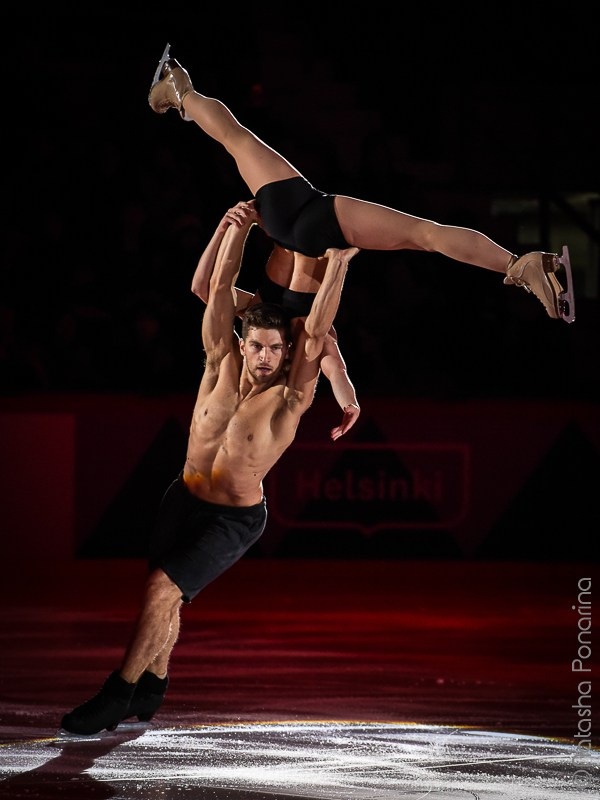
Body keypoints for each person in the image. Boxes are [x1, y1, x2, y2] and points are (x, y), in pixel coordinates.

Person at [60, 204, 359, 735]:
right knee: (166, 596)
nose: (265, 357)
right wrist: (235, 229)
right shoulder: (220, 358)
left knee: (161, 589)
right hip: (184, 497)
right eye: (257, 347)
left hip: (233, 520)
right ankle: (152, 686)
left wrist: (336, 267)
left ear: (284, 352)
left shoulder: (291, 395)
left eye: (274, 349)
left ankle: (117, 694)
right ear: (243, 344)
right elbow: (217, 288)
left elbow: (315, 331)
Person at [147, 43, 575, 324]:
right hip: (285, 218)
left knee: (425, 236)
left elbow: (322, 342)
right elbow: (203, 288)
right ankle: (180, 90)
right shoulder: (253, 312)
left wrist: (334, 270)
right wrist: (232, 228)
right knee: (235, 138)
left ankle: (521, 267)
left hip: (318, 238)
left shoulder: (298, 345)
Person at [191, 200, 360, 441]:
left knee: (217, 294)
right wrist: (349, 402)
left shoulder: (254, 315)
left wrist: (224, 227)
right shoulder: (305, 338)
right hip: (312, 258)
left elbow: (202, 288)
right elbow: (336, 370)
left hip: (285, 259)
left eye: (263, 348)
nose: (264, 358)